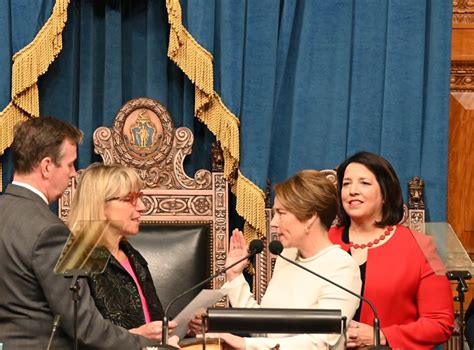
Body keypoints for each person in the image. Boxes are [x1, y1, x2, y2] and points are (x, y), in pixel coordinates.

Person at [0, 117, 163, 349]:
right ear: (47, 166)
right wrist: (145, 345)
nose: (74, 174)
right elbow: (83, 325)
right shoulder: (51, 232)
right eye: (69, 165)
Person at [214, 170, 362, 349]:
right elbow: (265, 329)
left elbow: (320, 341)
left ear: (310, 217)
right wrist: (234, 276)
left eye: (281, 213)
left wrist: (245, 344)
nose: (274, 222)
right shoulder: (288, 256)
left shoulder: (342, 267)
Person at [328, 151, 454, 349]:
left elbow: (441, 323)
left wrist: (382, 335)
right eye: (346, 183)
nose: (352, 190)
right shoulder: (322, 241)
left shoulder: (425, 246)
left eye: (364, 183)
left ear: (386, 194)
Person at [66, 163, 178, 342]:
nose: (141, 207)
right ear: (99, 206)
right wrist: (136, 337)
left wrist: (183, 324)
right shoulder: (81, 256)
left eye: (139, 197)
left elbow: (151, 320)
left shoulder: (132, 255)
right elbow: (80, 335)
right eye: (129, 199)